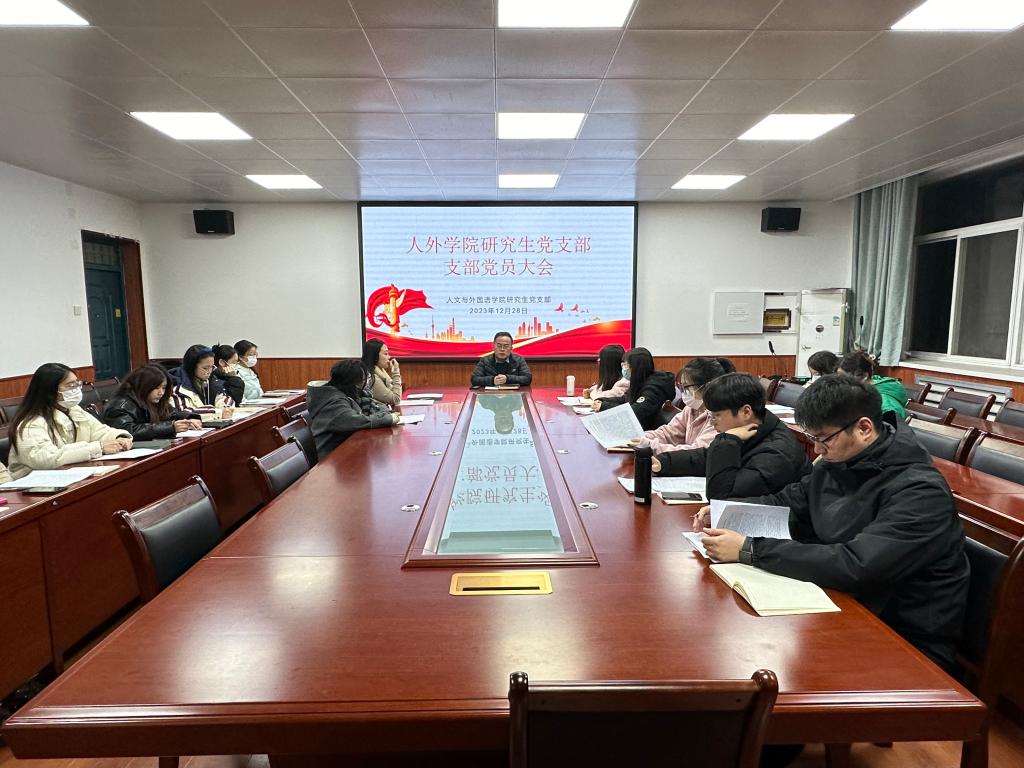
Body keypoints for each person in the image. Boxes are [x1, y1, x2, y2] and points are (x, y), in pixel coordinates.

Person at [697, 374, 969, 672]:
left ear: (864, 428)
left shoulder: (920, 491)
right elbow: (788, 502)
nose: (817, 450)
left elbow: (858, 564)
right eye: (812, 439)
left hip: (903, 641)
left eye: (823, 439)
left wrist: (750, 549)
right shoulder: (840, 461)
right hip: (841, 605)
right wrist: (729, 512)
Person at [653, 372, 811, 499]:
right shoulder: (754, 429)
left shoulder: (776, 454)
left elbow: (720, 496)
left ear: (746, 412)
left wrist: (727, 440)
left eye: (716, 416)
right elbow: (708, 457)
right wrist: (664, 462)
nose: (712, 422)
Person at [6, 363, 133, 479]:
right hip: (35, 484)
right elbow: (45, 459)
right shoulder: (30, 423)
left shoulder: (73, 410)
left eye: (77, 384)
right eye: (70, 385)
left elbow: (98, 431)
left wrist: (119, 438)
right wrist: (97, 448)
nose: (76, 389)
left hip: (70, 474)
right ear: (50, 391)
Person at [635, 357, 734, 455]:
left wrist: (650, 445)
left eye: (686, 387)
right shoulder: (691, 409)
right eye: (681, 387)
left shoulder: (719, 416)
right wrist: (639, 438)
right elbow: (668, 433)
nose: (684, 392)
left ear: (707, 386)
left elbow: (696, 452)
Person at [307, 359, 400, 461]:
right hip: (329, 459)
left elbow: (375, 406)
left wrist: (386, 414)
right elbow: (354, 421)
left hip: (343, 452)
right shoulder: (334, 401)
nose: (365, 384)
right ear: (351, 382)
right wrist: (387, 418)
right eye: (362, 381)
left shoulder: (349, 394)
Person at [102, 364, 202, 439]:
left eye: (163, 388)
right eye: (156, 388)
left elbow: (169, 413)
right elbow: (128, 432)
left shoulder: (150, 399)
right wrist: (170, 427)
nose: (161, 392)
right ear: (143, 386)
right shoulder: (120, 406)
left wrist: (188, 419)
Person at [591, 347, 675, 431]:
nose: (623, 368)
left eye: (625, 365)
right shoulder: (641, 381)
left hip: (648, 432)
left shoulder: (654, 388)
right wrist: (602, 400)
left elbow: (636, 411)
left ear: (636, 367)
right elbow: (626, 399)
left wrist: (604, 406)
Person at [839, 350, 907, 419]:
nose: (840, 383)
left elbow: (895, 424)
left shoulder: (885, 404)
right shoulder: (862, 391)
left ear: (865, 376)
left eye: (845, 379)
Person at [167, 345, 236, 412]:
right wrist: (216, 411)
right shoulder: (178, 386)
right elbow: (184, 412)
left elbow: (225, 399)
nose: (209, 371)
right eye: (205, 368)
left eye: (212, 367)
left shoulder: (212, 380)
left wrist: (225, 408)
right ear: (192, 367)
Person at [362, 338, 402, 409]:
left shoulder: (380, 372)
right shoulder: (372, 377)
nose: (389, 357)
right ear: (375, 356)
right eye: (386, 354)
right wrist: (396, 372)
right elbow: (396, 399)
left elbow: (394, 392)